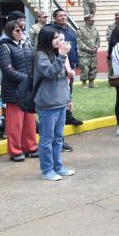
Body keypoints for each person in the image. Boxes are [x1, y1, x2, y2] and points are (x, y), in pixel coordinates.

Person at [33, 27, 75, 181]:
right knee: (47, 139)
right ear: (46, 39)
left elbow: (64, 80)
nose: (59, 40)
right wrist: (63, 55)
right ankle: (47, 170)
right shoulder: (41, 56)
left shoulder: (57, 54)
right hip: (47, 104)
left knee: (58, 138)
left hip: (60, 102)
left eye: (59, 37)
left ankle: (58, 167)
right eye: (55, 37)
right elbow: (50, 73)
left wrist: (68, 99)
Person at [0, 20, 38, 162]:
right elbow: (7, 70)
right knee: (15, 123)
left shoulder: (27, 45)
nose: (20, 32)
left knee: (29, 121)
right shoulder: (4, 47)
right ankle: (15, 150)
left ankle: (31, 147)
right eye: (17, 30)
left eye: (21, 29)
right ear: (9, 32)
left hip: (27, 90)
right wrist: (27, 79)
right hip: (14, 90)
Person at [48, 9, 82, 131]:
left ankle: (68, 116)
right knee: (61, 93)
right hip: (59, 66)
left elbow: (74, 47)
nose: (63, 17)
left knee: (69, 92)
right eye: (60, 16)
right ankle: (62, 118)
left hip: (70, 64)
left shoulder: (70, 30)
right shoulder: (52, 31)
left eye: (65, 15)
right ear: (55, 18)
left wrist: (76, 60)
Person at [77, 14, 100, 88]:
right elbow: (79, 41)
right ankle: (84, 83)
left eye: (93, 20)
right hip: (84, 53)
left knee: (93, 67)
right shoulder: (80, 29)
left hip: (93, 52)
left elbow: (98, 39)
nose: (93, 21)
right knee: (85, 68)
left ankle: (91, 82)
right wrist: (87, 48)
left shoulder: (95, 29)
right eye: (91, 20)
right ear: (86, 20)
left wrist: (96, 47)